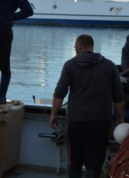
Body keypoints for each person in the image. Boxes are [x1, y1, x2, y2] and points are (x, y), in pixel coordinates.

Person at [50, 35, 125, 178]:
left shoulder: (70, 65)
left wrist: (53, 114)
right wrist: (121, 118)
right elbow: (118, 95)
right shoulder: (109, 65)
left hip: (76, 119)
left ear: (79, 47)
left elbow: (60, 93)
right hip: (101, 120)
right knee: (95, 161)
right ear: (91, 46)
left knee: (74, 160)